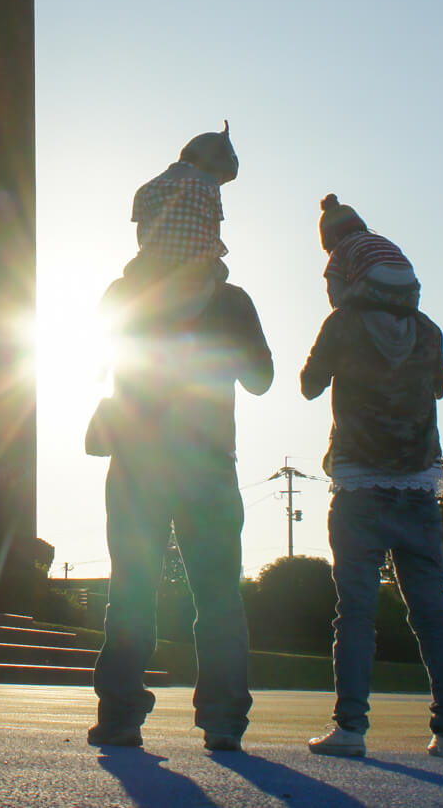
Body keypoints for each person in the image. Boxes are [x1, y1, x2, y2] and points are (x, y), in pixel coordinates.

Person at [299, 198, 443, 760]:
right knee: (433, 614)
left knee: (356, 613)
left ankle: (351, 728)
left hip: (359, 488)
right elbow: (440, 383)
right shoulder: (428, 330)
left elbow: (309, 386)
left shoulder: (342, 325)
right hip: (419, 487)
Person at [86, 266, 273, 754]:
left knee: (131, 590)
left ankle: (121, 717)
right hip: (207, 464)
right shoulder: (230, 300)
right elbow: (261, 380)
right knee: (218, 596)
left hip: (137, 464)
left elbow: (98, 362)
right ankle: (224, 720)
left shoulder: (125, 292)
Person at [122, 123, 240, 322]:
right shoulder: (208, 186)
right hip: (195, 268)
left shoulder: (146, 188)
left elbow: (141, 235)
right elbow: (214, 233)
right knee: (228, 283)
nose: (219, 183)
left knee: (128, 277)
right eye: (221, 179)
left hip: (152, 264)